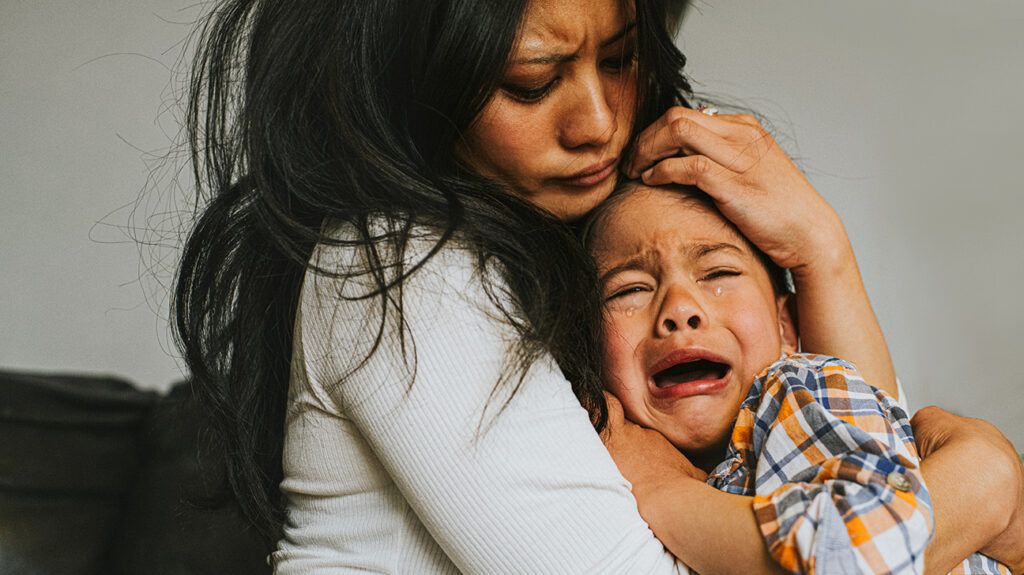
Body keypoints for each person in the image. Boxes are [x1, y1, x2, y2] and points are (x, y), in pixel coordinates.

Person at [171, 0, 1024, 572]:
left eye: (618, 60)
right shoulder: (397, 260)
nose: (600, 122)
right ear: (420, 93)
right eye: (532, 82)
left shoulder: (585, 236)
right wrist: (982, 488)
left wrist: (821, 251)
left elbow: (864, 461)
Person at [584, 181, 1009, 573]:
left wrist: (664, 490)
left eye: (718, 274)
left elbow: (866, 549)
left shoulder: (799, 387)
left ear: (786, 327)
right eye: (630, 290)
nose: (680, 309)